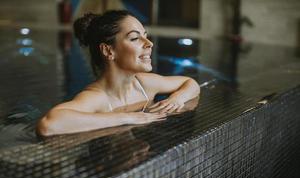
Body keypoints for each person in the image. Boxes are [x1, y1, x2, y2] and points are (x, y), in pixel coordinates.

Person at [36, 10, 200, 136]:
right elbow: (49, 125)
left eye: (145, 36)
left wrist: (177, 98)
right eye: (135, 38)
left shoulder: (144, 84)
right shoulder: (98, 98)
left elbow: (190, 83)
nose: (149, 43)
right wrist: (125, 118)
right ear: (108, 51)